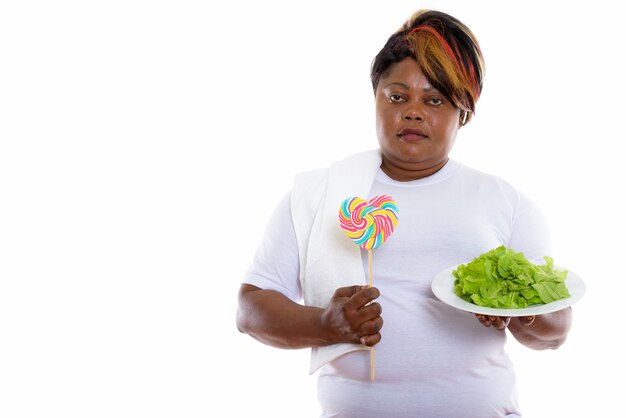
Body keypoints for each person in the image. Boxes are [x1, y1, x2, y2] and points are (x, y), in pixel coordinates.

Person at [236, 9, 572, 418]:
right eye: (397, 96)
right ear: (376, 97)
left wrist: (520, 314)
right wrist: (325, 324)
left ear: (462, 113)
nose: (413, 111)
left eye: (434, 100)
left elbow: (557, 331)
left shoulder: (505, 201)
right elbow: (251, 309)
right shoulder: (319, 193)